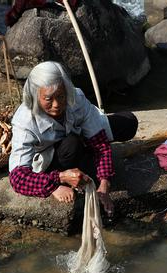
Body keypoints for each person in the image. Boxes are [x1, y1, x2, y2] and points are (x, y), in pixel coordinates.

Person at [8, 61, 138, 216]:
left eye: (61, 96)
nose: (56, 104)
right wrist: (57, 179)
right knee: (72, 144)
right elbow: (18, 179)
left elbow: (99, 142)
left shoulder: (76, 97)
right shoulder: (24, 121)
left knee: (128, 122)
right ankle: (58, 181)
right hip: (52, 158)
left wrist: (104, 183)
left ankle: (84, 159)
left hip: (78, 138)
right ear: (36, 96)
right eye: (48, 99)